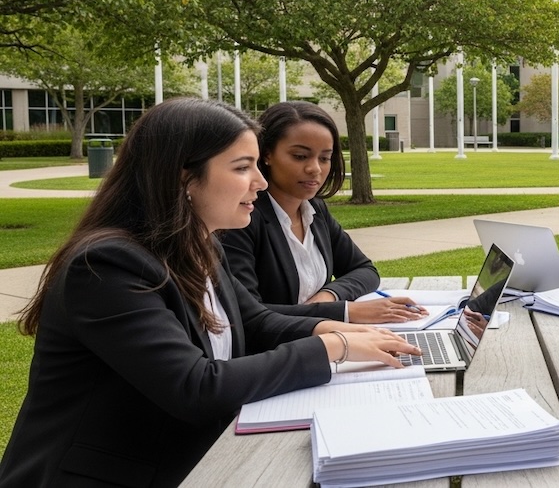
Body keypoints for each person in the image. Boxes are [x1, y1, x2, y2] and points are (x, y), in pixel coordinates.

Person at [0, 98, 420, 487]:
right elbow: (194, 387)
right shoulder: (107, 267)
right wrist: (332, 348)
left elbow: (253, 320)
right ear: (184, 176)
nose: (259, 182)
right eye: (242, 168)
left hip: (192, 459)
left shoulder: (201, 242)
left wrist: (340, 331)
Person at [221, 101, 426, 324]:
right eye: (300, 156)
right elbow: (248, 315)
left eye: (324, 158)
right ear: (266, 154)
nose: (315, 169)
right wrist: (345, 312)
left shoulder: (315, 209)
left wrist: (329, 297)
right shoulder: (241, 219)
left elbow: (364, 270)